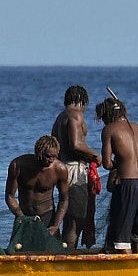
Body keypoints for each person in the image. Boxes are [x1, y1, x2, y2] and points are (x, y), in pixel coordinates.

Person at [98, 95, 138, 253]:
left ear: (107, 115)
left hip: (127, 186)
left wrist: (120, 165)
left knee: (121, 242)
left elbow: (107, 163)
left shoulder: (109, 130)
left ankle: (127, 274)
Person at [52, 85, 98, 250]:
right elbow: (75, 144)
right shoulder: (76, 115)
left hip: (63, 168)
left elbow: (55, 147)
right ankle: (68, 257)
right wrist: (95, 155)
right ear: (81, 100)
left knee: (68, 216)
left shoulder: (59, 117)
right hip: (74, 170)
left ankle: (63, 252)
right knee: (76, 219)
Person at [5, 135, 71, 236]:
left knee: (52, 251)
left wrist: (55, 226)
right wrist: (21, 217)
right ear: (38, 152)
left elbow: (64, 199)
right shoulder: (18, 166)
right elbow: (10, 196)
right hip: (23, 217)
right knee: (20, 251)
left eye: (54, 156)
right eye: (48, 156)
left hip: (47, 218)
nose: (51, 160)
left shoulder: (60, 169)